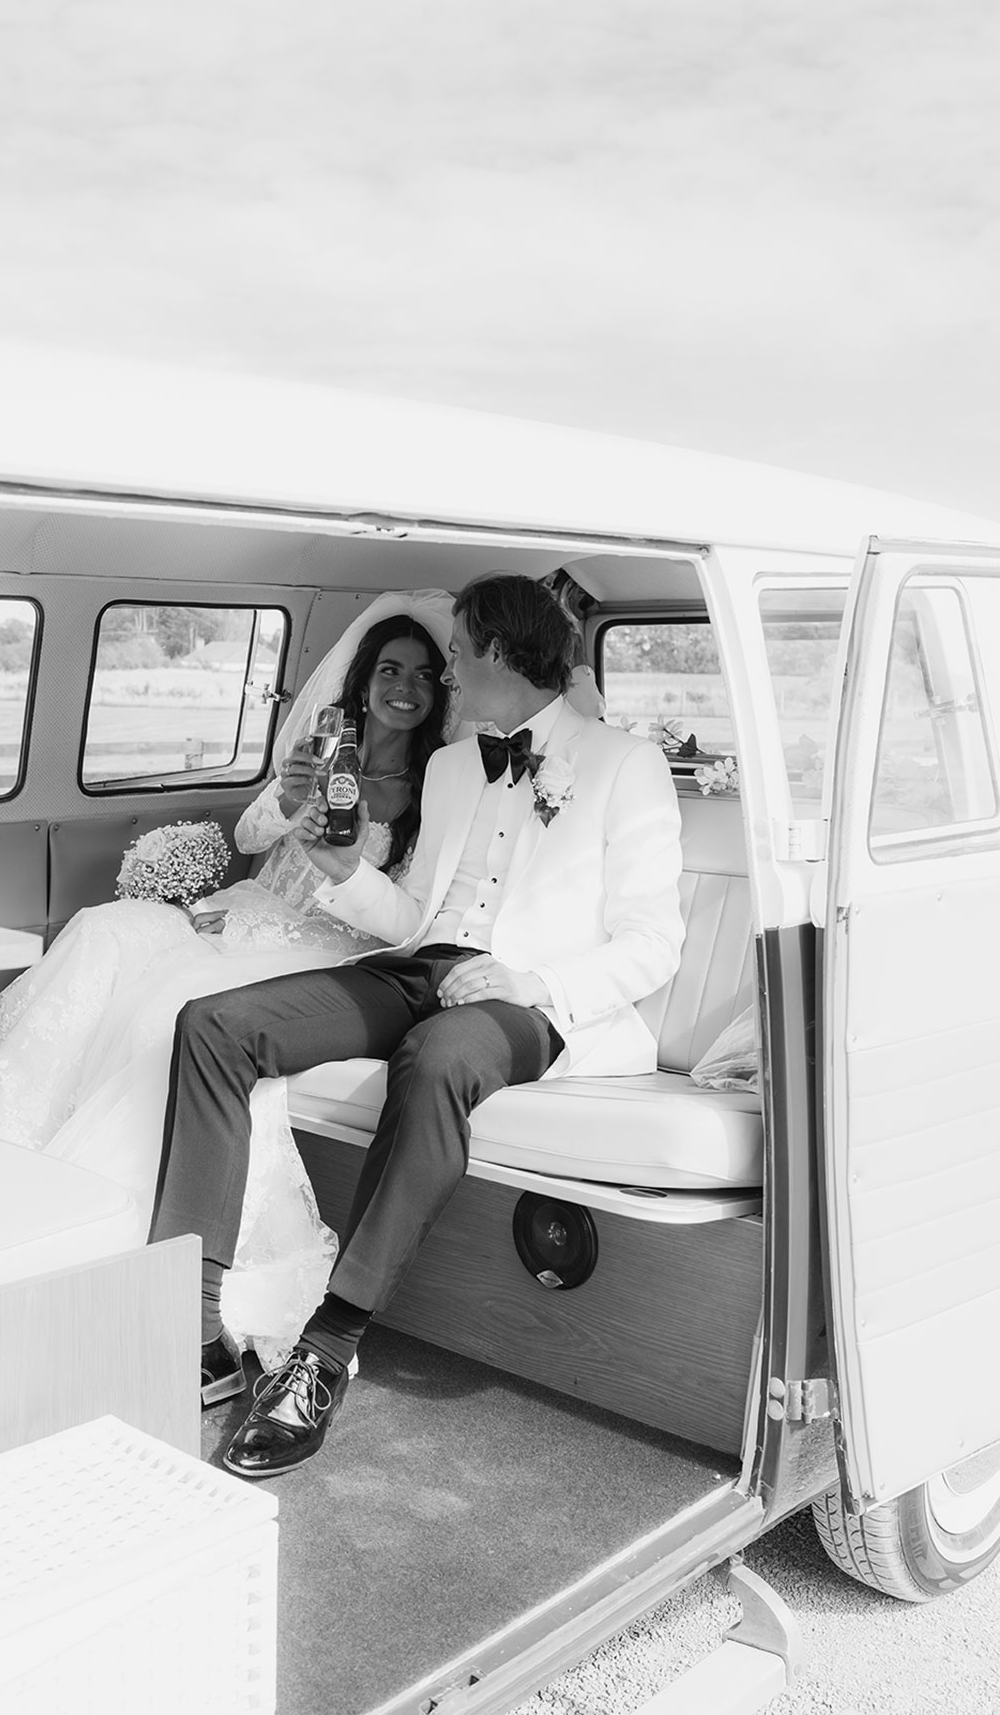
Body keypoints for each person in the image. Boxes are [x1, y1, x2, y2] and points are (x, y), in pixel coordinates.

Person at [148, 573, 686, 1476]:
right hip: (421, 967)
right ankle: (195, 1329)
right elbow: (411, 916)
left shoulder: (625, 762)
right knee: (214, 1022)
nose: (448, 668)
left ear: (505, 654)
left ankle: (326, 1349)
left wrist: (533, 980)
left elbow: (655, 941)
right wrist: (341, 865)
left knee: (437, 1058)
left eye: (459, 652)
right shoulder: (448, 765)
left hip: (532, 1001)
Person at [0, 589, 457, 1375]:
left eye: (424, 676)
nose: (405, 686)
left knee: (171, 1003)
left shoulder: (435, 792)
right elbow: (252, 836)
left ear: (437, 695)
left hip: (321, 949)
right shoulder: (323, 756)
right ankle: (12, 1148)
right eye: (390, 669)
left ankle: (145, 1247)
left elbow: (406, 920)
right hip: (243, 913)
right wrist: (289, 797)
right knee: (106, 927)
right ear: (362, 682)